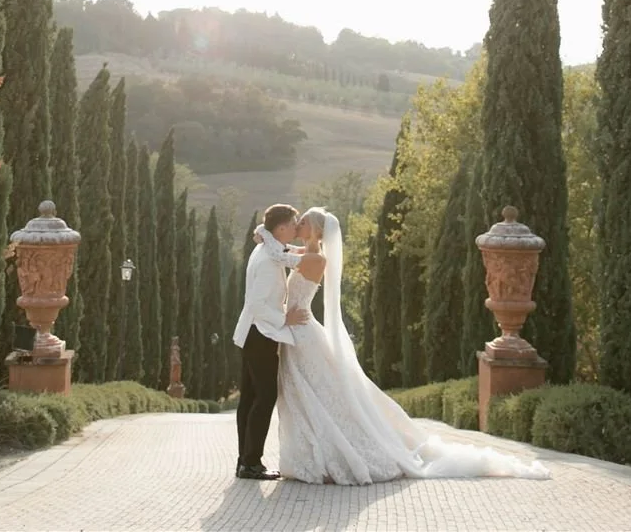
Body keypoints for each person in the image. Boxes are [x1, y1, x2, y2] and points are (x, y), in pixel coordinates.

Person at [268, 205, 550, 484]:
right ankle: (306, 454)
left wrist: (264, 234)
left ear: (315, 230)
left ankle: (332, 455)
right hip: (297, 330)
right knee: (305, 395)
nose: (298, 225)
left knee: (315, 394)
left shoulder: (314, 259)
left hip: (302, 331)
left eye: (302, 222)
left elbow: (279, 256)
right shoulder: (309, 253)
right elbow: (286, 253)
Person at [232, 202, 309, 480]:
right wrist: (284, 319)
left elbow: (284, 254)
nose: (296, 227)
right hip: (261, 333)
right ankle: (251, 462)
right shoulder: (266, 259)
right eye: (294, 223)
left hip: (254, 332)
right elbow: (256, 303)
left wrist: (303, 251)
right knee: (265, 396)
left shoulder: (267, 248)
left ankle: (245, 461)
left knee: (251, 398)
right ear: (281, 227)